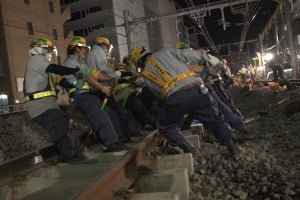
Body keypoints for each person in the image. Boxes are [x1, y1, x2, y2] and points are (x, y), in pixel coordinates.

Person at [127, 47, 244, 158]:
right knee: (214, 119)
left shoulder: (145, 75)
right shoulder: (164, 52)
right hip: (198, 90)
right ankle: (233, 147)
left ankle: (190, 149)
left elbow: (159, 95)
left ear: (138, 62)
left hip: (175, 98)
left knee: (165, 125)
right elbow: (187, 54)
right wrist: (207, 58)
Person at [23, 37, 88, 162]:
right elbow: (56, 68)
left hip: (49, 105)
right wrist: (75, 71)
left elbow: (61, 80)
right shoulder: (36, 60)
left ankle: (77, 151)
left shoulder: (45, 66)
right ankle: (69, 156)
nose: (50, 53)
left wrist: (74, 84)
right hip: (39, 106)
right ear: (41, 50)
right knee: (60, 128)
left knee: (68, 125)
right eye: (48, 50)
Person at [59, 36, 124, 151]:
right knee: (101, 117)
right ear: (76, 49)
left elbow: (95, 74)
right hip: (79, 97)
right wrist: (103, 88)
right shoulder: (69, 63)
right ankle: (109, 144)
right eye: (83, 48)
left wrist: (110, 78)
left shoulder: (80, 62)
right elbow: (87, 77)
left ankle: (116, 139)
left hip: (88, 95)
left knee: (109, 113)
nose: (85, 51)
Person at [86, 36, 141, 140]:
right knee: (118, 111)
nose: (107, 49)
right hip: (102, 87)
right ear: (102, 44)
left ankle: (124, 134)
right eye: (107, 46)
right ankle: (123, 135)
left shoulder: (91, 53)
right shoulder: (98, 51)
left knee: (116, 111)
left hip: (98, 87)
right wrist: (114, 77)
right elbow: (103, 68)